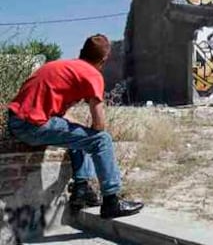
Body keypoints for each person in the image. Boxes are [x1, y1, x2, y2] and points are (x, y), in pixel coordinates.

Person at [7, 34, 143, 219]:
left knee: (81, 134)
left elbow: (60, 114)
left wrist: (83, 130)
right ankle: (111, 201)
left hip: (18, 120)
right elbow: (100, 124)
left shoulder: (61, 66)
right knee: (101, 139)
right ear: (104, 60)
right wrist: (93, 132)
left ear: (81, 52)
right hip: (32, 125)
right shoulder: (91, 74)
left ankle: (81, 190)